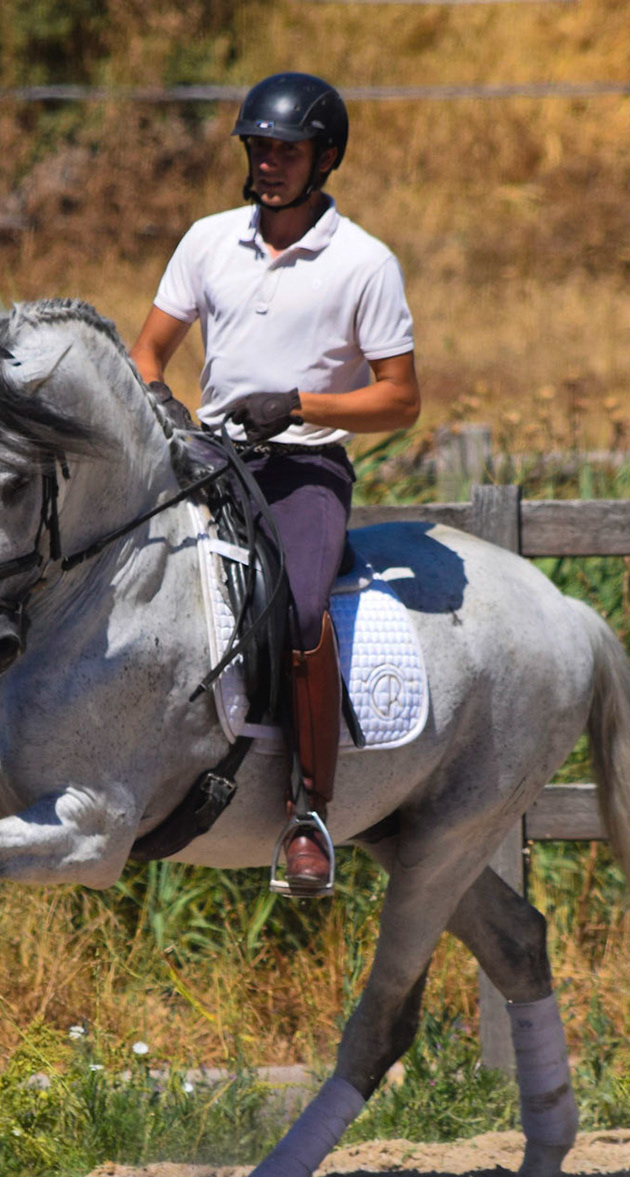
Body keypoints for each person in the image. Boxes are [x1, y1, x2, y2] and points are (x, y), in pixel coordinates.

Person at [128, 71, 421, 894]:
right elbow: (149, 350)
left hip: (303, 467)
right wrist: (161, 406)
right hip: (211, 454)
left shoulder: (365, 263)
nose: (267, 164)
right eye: (258, 149)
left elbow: (401, 398)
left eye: (285, 151)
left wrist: (300, 403)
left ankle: (308, 813)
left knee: (295, 604)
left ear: (325, 158)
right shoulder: (207, 240)